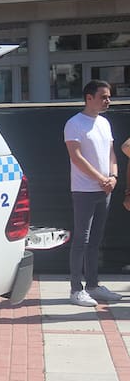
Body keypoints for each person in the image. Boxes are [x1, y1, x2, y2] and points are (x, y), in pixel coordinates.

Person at [64, 80, 122, 306]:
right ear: (89, 98)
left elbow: (111, 153)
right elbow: (76, 157)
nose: (108, 101)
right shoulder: (74, 123)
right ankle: (75, 290)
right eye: (103, 97)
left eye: (109, 97)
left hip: (105, 189)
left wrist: (113, 176)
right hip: (84, 190)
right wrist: (100, 178)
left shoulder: (104, 123)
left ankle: (93, 286)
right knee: (82, 239)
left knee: (95, 240)